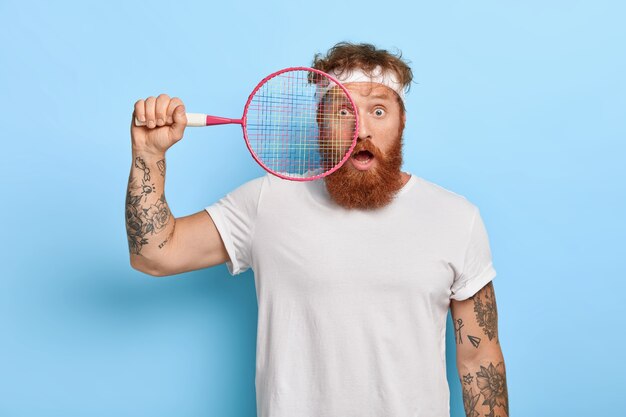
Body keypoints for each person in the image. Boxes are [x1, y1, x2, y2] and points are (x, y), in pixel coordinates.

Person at [126, 42, 509, 417]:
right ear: (320, 123)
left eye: (378, 110)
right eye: (344, 112)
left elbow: (479, 360)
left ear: (402, 121)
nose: (362, 131)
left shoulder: (456, 218)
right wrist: (148, 155)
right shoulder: (266, 203)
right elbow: (155, 254)